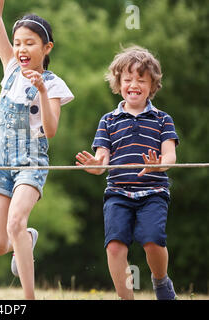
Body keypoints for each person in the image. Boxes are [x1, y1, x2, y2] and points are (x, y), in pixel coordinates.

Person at [0, 0, 74, 299]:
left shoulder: (54, 83)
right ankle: (26, 238)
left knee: (15, 222)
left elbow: (51, 130)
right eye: (18, 42)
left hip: (30, 161)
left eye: (30, 43)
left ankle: (29, 298)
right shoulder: (10, 67)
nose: (21, 49)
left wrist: (44, 93)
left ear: (47, 48)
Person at [75, 46, 179, 300]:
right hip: (118, 194)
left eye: (141, 80)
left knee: (153, 241)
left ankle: (161, 281)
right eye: (128, 79)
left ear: (152, 85)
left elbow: (170, 156)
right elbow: (102, 161)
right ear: (118, 83)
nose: (134, 84)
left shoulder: (162, 119)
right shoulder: (108, 121)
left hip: (153, 192)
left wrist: (159, 165)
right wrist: (96, 166)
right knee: (114, 247)